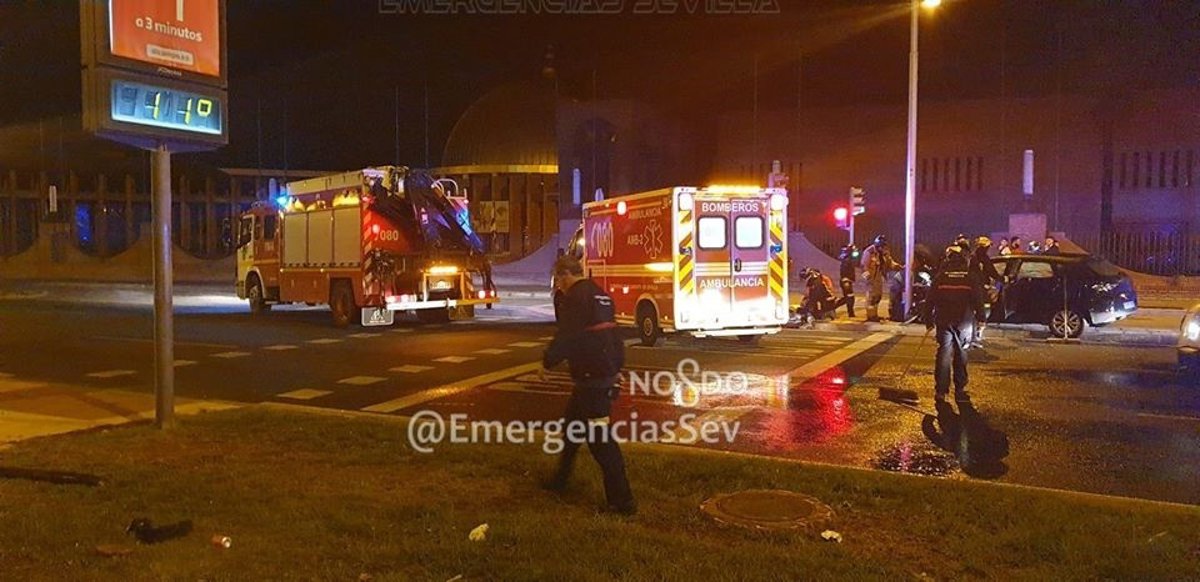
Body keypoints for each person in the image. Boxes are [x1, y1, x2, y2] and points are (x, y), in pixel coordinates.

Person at [542, 256, 636, 515]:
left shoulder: (575, 299)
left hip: (591, 378)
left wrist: (548, 361)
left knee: (600, 441)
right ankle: (560, 481)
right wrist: (617, 369)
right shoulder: (600, 295)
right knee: (572, 429)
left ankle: (622, 501)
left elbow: (567, 336)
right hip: (598, 376)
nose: (558, 286)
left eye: (558, 279)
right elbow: (614, 335)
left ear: (565, 275)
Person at [925, 244, 983, 404]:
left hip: (944, 320)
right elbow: (978, 299)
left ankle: (941, 391)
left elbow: (930, 300)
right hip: (964, 321)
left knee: (943, 354)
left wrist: (928, 320)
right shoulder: (970, 277)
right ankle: (960, 388)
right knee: (961, 353)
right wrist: (982, 318)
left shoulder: (941, 276)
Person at [968, 236, 1001, 348]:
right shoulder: (983, 257)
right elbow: (991, 271)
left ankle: (973, 336)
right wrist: (1002, 279)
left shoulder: (972, 257)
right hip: (980, 288)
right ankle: (976, 335)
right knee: (983, 311)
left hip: (971, 288)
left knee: (973, 312)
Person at [860, 235, 902, 322]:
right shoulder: (869, 252)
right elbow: (863, 266)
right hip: (871, 277)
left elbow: (890, 262)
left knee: (878, 295)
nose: (882, 248)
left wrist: (899, 267)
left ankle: (874, 314)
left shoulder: (884, 252)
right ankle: (871, 316)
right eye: (881, 246)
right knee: (872, 297)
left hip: (878, 276)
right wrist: (868, 278)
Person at [837, 245, 859, 318]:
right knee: (849, 298)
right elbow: (843, 271)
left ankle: (850, 313)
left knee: (849, 298)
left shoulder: (848, 259)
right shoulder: (847, 260)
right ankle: (850, 312)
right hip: (846, 281)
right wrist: (845, 279)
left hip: (847, 280)